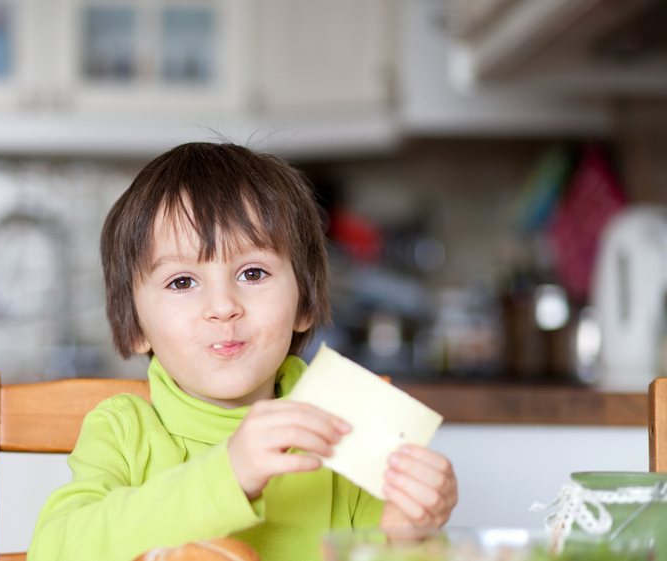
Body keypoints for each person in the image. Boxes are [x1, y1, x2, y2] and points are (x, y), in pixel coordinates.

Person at [28, 143, 458, 561]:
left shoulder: (343, 424)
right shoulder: (124, 431)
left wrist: (407, 536)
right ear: (136, 325)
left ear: (305, 302)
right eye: (182, 282)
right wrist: (227, 474)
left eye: (253, 273)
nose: (223, 307)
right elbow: (54, 552)